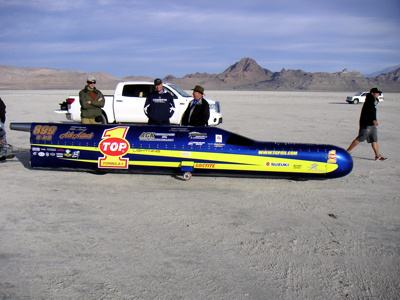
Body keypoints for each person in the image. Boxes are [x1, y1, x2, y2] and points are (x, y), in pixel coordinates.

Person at [346, 87, 387, 161]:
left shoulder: (373, 101)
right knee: (360, 138)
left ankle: (377, 156)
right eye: (377, 93)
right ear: (372, 93)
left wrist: (374, 121)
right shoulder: (369, 100)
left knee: (374, 139)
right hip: (366, 124)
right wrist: (373, 120)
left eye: (379, 93)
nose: (378, 94)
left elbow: (373, 111)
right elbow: (368, 112)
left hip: (372, 125)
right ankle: (347, 151)